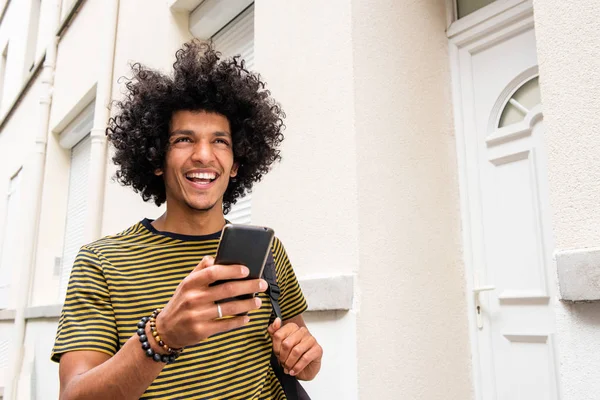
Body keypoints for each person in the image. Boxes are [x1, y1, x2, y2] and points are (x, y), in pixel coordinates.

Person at [51, 40, 323, 399]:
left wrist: (305, 357)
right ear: (156, 159)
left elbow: (301, 356)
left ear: (237, 163)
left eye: (220, 141)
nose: (204, 155)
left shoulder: (266, 251)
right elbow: (74, 395)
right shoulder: (101, 262)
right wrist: (162, 337)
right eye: (184, 139)